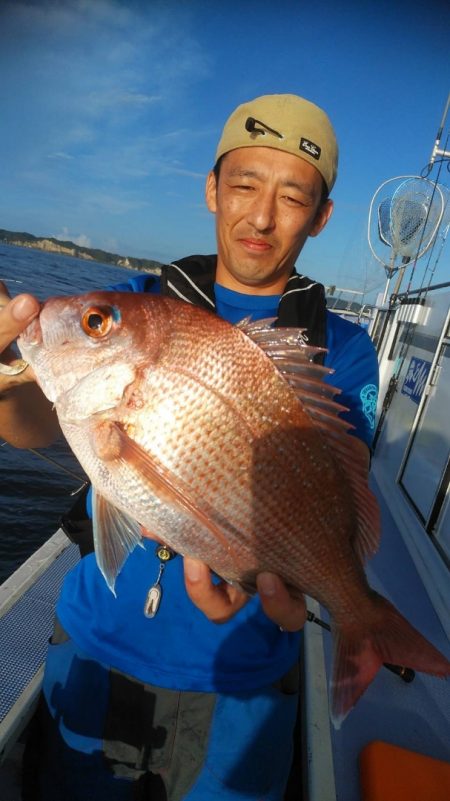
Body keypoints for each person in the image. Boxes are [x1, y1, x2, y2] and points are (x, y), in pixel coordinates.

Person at [0, 94, 379, 801]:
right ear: (211, 189)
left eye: (292, 196)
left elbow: (334, 485)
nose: (261, 216)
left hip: (244, 679)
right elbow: (35, 424)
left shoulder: (341, 350)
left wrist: (312, 588)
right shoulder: (142, 299)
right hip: (95, 647)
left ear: (322, 215)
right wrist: (2, 380)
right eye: (242, 184)